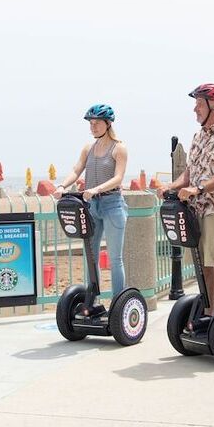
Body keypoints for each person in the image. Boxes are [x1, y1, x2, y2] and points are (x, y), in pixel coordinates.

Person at [158, 84, 214, 315]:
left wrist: (198, 188)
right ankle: (209, 313)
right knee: (204, 266)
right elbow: (190, 173)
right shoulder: (199, 136)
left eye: (199, 104)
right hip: (197, 209)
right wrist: (173, 185)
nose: (195, 109)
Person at [54, 104, 129, 296]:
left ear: (108, 124)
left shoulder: (119, 148)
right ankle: (92, 301)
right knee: (91, 256)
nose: (93, 127)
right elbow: (76, 170)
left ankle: (117, 303)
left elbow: (118, 178)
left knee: (115, 259)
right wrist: (62, 186)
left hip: (112, 205)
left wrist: (96, 189)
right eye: (91, 123)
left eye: (97, 123)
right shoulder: (88, 148)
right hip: (91, 206)